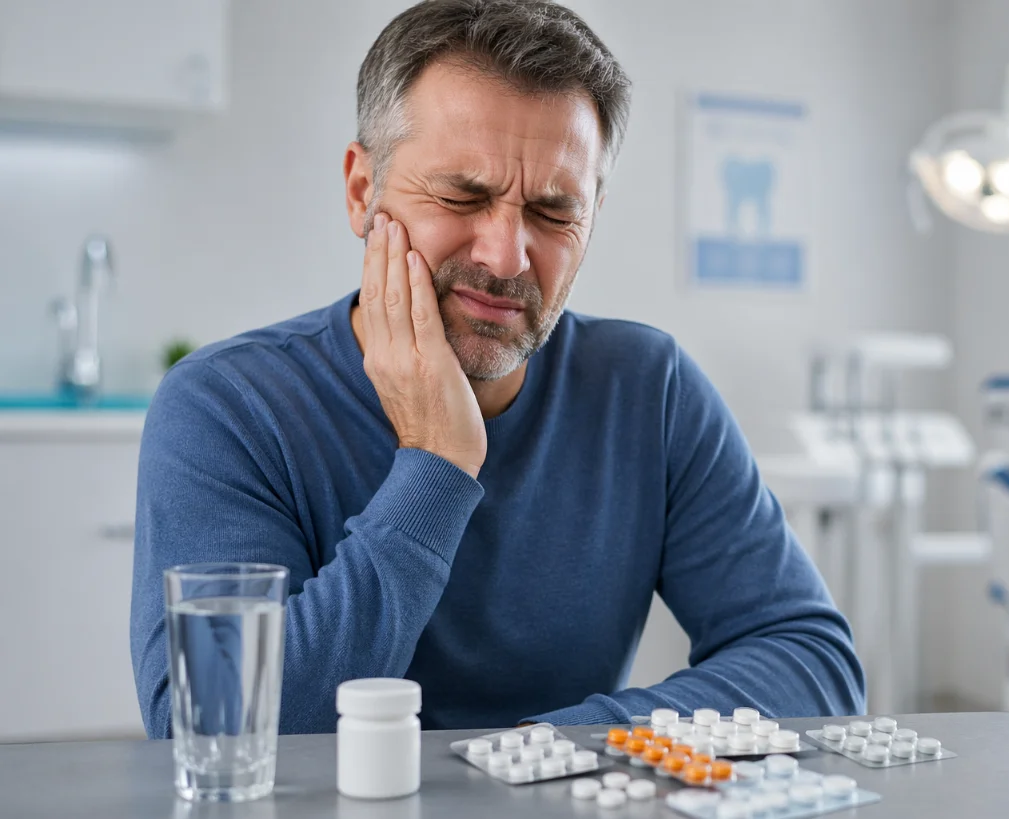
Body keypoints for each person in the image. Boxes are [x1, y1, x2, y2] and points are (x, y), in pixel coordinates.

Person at [130, 0, 865, 737]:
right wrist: (436, 467)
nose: (505, 255)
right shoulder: (227, 406)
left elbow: (813, 662)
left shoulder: (649, 389)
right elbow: (216, 731)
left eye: (553, 212)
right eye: (461, 195)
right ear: (363, 191)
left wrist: (546, 750)